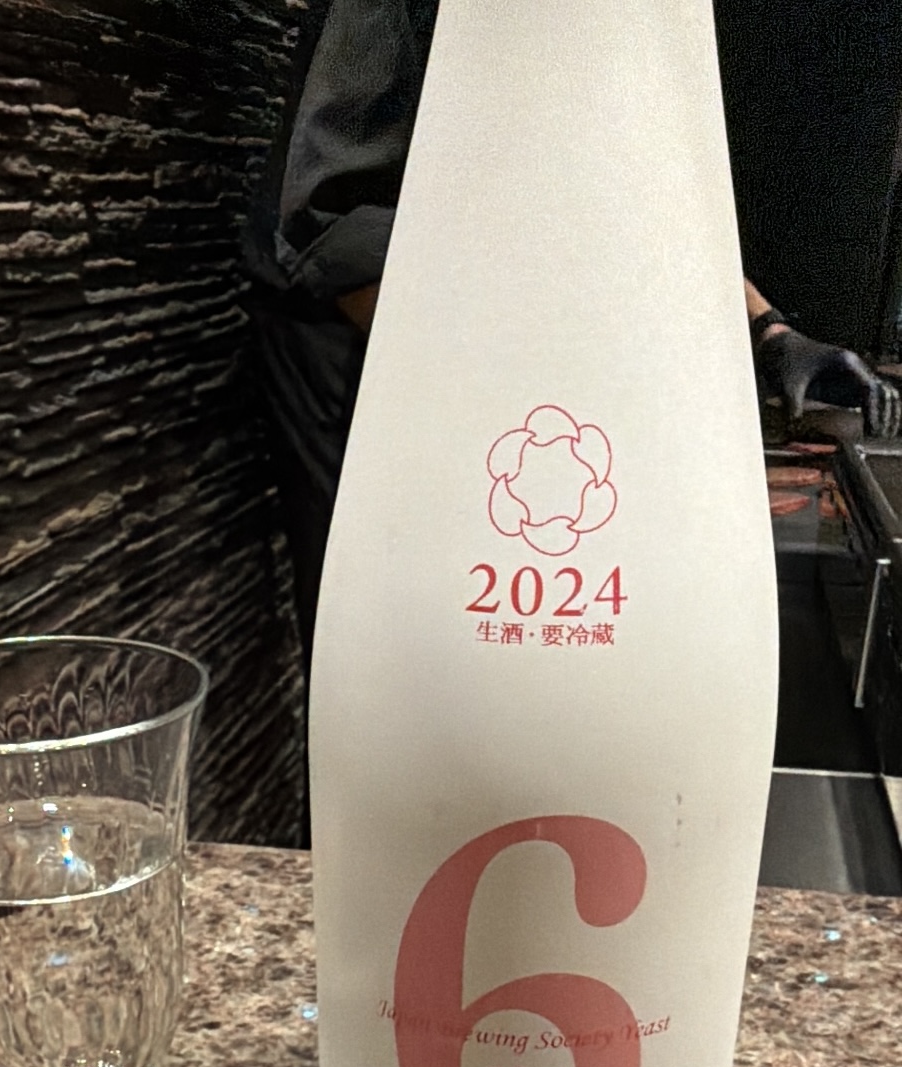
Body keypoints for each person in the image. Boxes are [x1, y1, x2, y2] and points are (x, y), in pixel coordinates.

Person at [244, 0, 902, 666]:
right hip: (369, 330)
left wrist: (766, 329)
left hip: (527, 353)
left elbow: (627, 195)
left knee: (558, 658)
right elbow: (335, 218)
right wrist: (537, 364)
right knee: (400, 657)